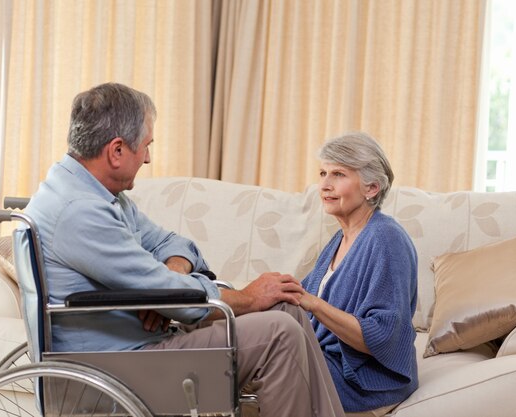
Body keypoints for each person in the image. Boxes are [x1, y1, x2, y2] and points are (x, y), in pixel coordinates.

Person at [25, 82, 344, 417]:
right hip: (117, 368)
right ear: (116, 150)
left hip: (134, 346)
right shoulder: (80, 211)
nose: (148, 157)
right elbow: (178, 299)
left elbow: (174, 245)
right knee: (280, 333)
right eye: (145, 146)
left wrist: (164, 283)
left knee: (286, 308)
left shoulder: (97, 193)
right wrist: (244, 298)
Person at [299, 132, 418, 417]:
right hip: (329, 363)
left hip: (365, 379)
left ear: (372, 188)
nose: (325, 185)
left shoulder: (386, 238)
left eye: (338, 174)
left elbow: (382, 336)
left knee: (264, 363)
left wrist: (311, 302)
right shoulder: (338, 240)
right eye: (323, 173)